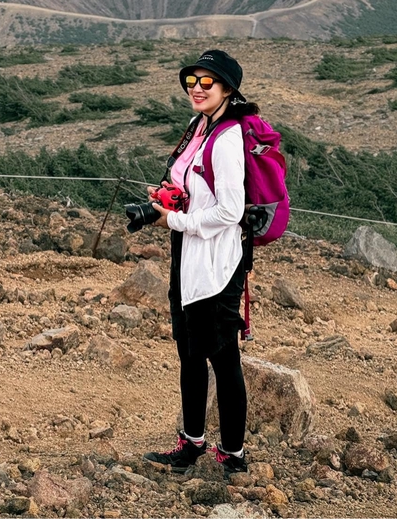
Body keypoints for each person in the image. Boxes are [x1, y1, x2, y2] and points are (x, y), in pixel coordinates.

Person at [142, 49, 258, 477]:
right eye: (192, 80)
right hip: (187, 257)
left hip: (217, 267)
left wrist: (175, 220)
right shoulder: (198, 128)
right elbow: (191, 186)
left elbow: (230, 211)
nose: (196, 88)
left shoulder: (226, 139)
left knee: (223, 361)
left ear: (228, 89)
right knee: (189, 354)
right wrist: (166, 199)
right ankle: (191, 443)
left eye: (207, 82)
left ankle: (233, 455)